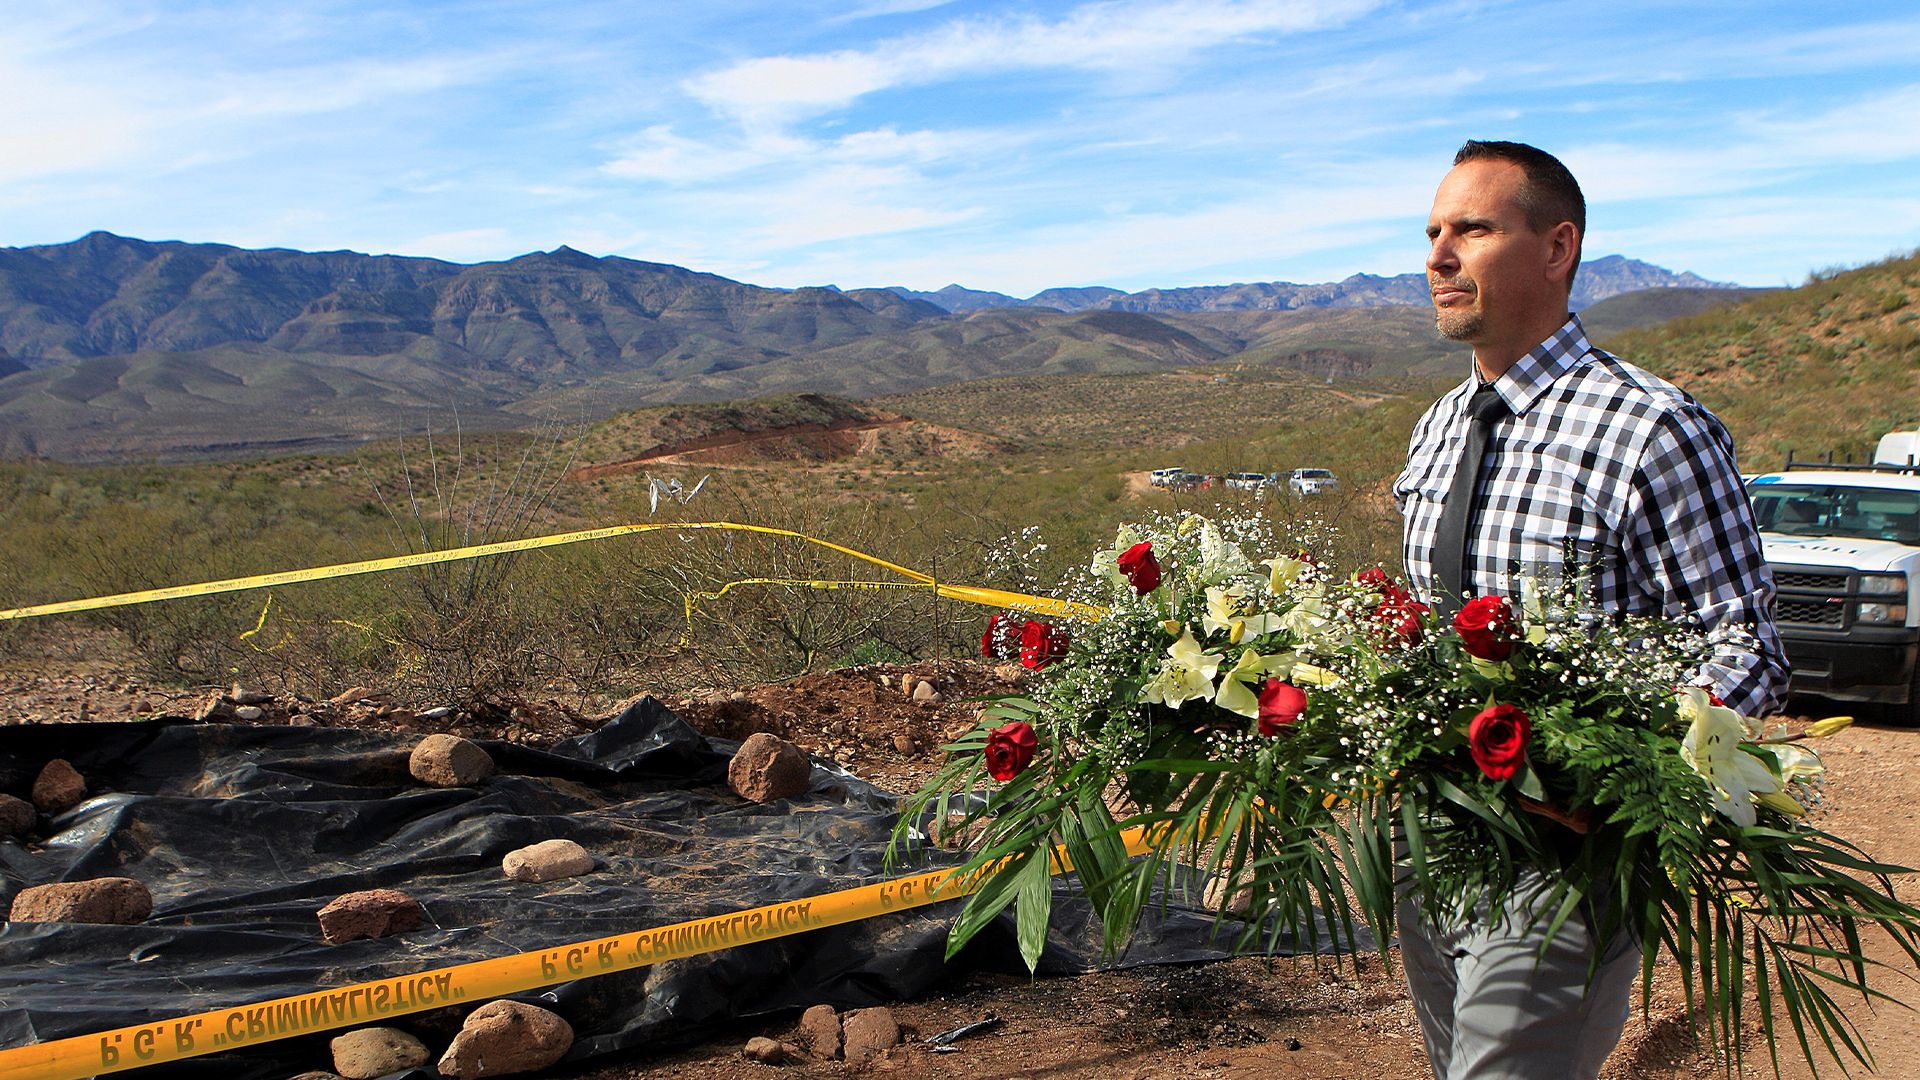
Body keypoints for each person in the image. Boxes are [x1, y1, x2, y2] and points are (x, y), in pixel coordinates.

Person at [1391, 140, 1790, 1079]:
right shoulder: (1441, 425)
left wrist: (1606, 768)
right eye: (1433, 233)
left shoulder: (1654, 428)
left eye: (1473, 230)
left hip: (1561, 861)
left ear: (1558, 247)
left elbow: (1747, 646)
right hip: (1432, 839)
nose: (1437, 258)